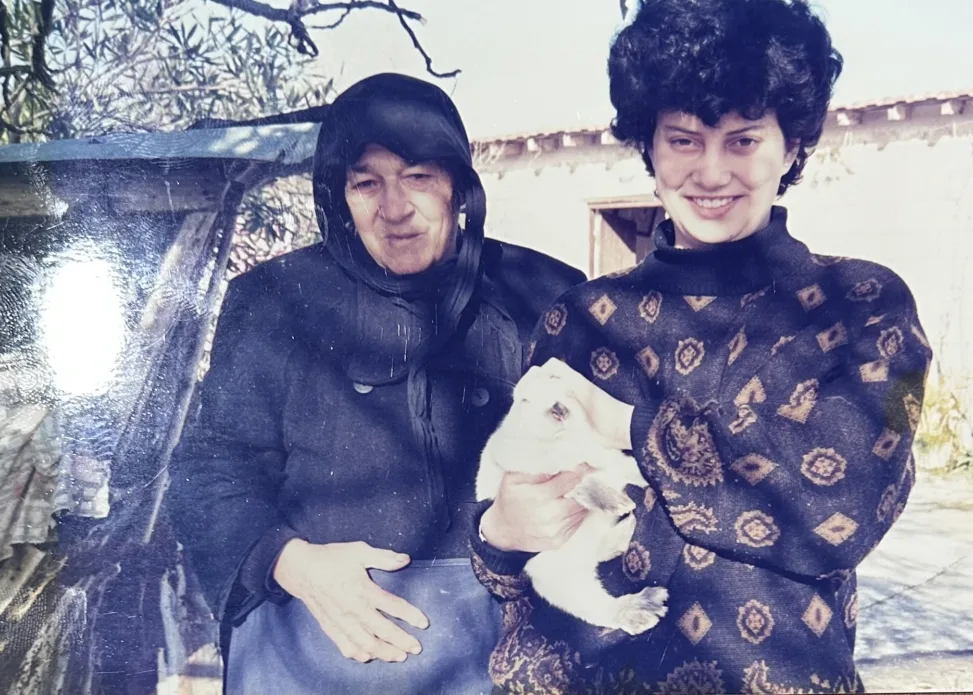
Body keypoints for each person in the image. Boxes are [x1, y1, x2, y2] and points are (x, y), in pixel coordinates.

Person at [471, 1, 933, 692]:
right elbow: (512, 546)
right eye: (684, 140)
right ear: (648, 148)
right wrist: (498, 535)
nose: (711, 172)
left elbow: (837, 511)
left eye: (743, 140)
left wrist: (626, 424)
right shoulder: (583, 319)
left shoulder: (863, 307)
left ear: (795, 144)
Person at [167, 72, 586, 694]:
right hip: (316, 646)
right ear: (339, 197)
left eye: (418, 177)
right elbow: (209, 470)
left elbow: (604, 457)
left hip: (502, 648)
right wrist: (293, 564)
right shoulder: (274, 302)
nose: (395, 209)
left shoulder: (543, 295)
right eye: (367, 183)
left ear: (457, 186)